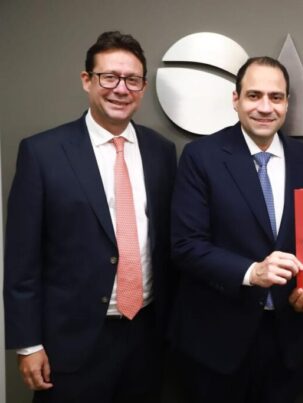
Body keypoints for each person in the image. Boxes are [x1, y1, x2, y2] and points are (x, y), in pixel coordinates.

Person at [3, 31, 177, 402]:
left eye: (132, 80)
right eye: (109, 77)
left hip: (146, 336)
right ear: (87, 80)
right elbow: (21, 259)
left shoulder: (161, 152)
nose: (121, 89)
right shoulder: (43, 153)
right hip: (71, 343)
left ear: (143, 88)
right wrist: (28, 343)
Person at [169, 56, 303, 403]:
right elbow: (186, 245)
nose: (265, 107)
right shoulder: (201, 157)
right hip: (217, 339)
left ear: (287, 103)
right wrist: (252, 272)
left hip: (288, 339)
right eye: (254, 95)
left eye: (276, 97)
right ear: (236, 99)